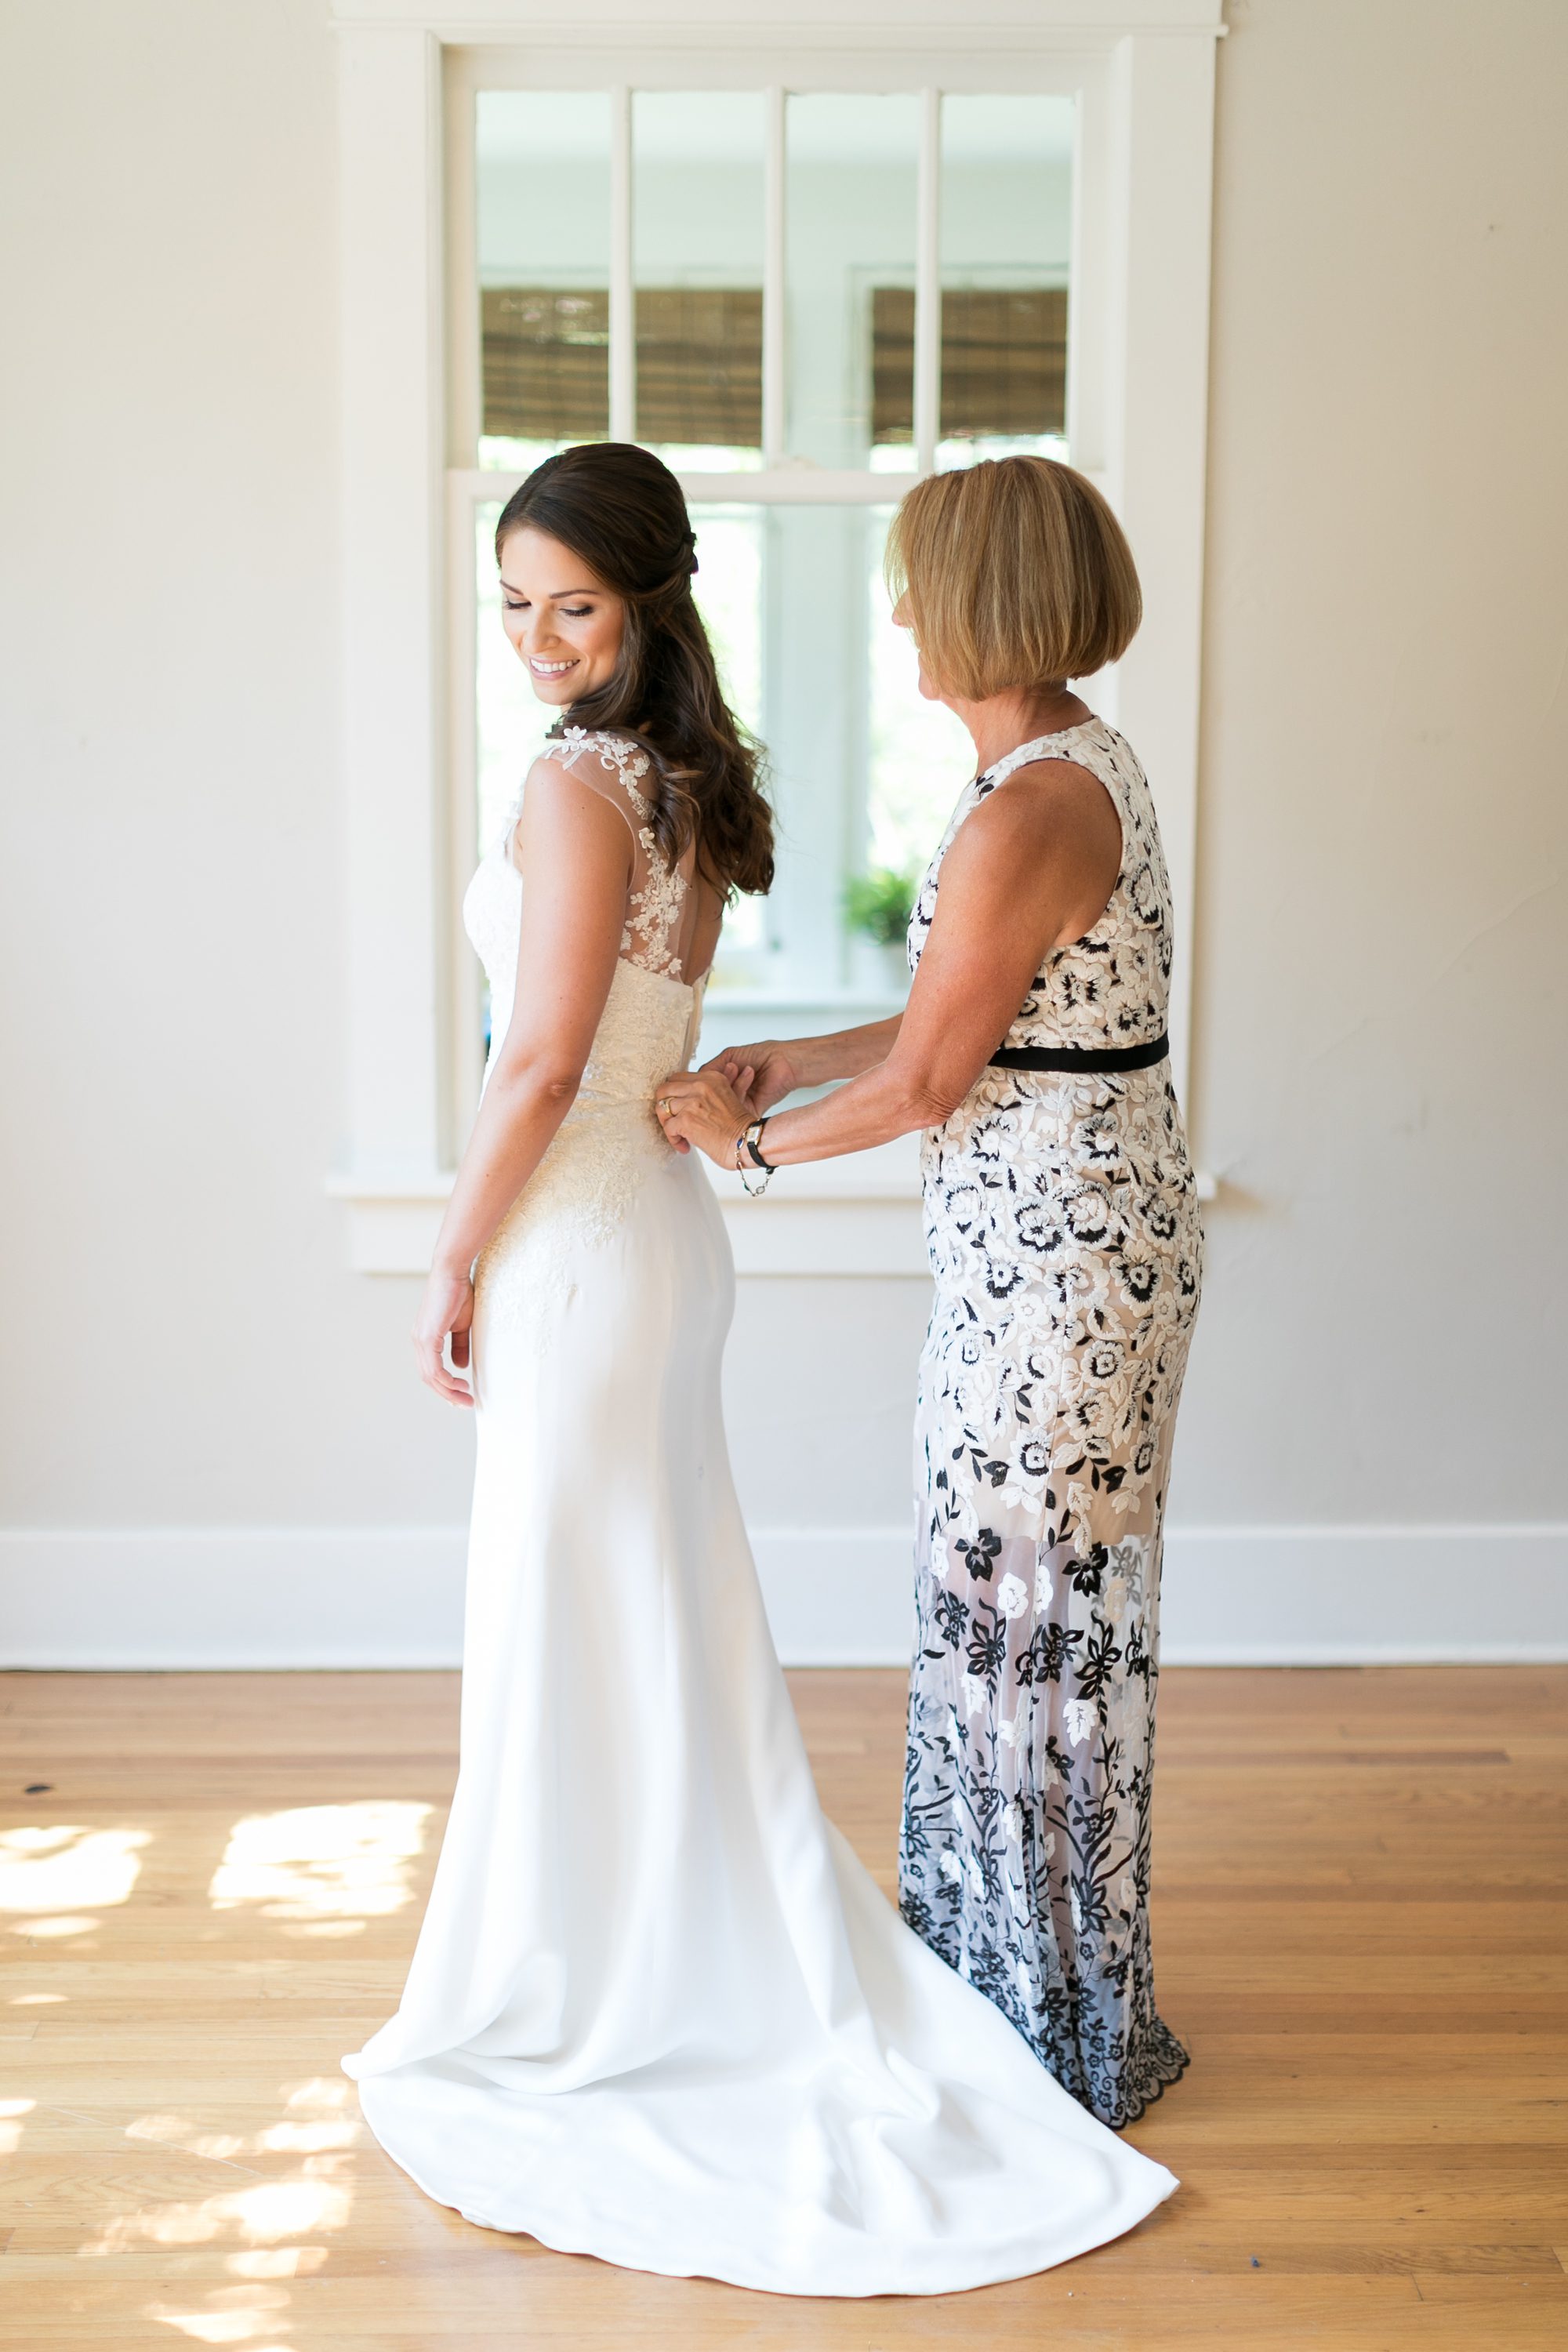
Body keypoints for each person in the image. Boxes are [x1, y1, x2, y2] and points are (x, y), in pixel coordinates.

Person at [343, 441, 1178, 2294]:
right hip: (657, 1241)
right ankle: (699, 1947)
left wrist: (452, 1246)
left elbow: (545, 1062)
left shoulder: (582, 786)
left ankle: (606, 1986)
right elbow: (871, 1012)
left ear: (640, 604)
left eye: (571, 603)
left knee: (594, 1618)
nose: (540, 640)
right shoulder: (685, 786)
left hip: (591, 1237)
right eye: (513, 608)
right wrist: (748, 1099)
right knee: (647, 1612)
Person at [661, 453, 1203, 2130]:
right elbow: (958, 1033)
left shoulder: (1030, 803)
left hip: (1061, 1283)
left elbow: (923, 1085)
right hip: (1067, 1257)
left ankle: (1038, 2027)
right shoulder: (1061, 770)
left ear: (980, 602)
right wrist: (782, 1062)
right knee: (1028, 1623)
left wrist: (745, 1150)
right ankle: (1029, 1990)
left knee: (1023, 1627)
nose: (895, 611)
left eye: (914, 582)